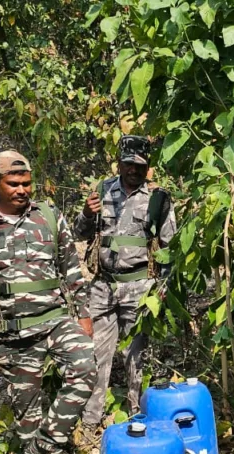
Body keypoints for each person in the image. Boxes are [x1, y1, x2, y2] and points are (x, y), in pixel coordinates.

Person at [0, 150, 96, 454]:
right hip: (11, 330)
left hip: (56, 319)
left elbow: (71, 269)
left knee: (85, 366)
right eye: (13, 184)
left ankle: (49, 443)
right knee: (27, 408)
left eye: (27, 183)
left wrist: (83, 313)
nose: (21, 190)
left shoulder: (48, 215)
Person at [74, 135, 177, 426]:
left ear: (148, 167)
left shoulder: (159, 198)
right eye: (128, 164)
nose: (134, 170)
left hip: (139, 286)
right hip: (103, 286)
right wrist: (85, 213)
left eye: (140, 166)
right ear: (119, 163)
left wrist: (164, 288)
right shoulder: (102, 191)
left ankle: (136, 414)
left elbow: (170, 247)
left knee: (136, 355)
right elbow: (79, 233)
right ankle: (91, 418)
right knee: (95, 354)